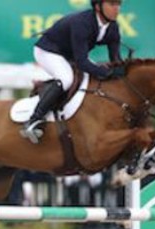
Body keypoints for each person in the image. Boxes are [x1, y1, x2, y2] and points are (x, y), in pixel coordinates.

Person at [21, 0, 125, 143]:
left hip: (70, 54)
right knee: (66, 79)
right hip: (48, 51)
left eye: (119, 4)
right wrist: (105, 72)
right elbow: (82, 62)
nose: (117, 9)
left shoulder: (113, 27)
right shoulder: (82, 23)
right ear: (98, 6)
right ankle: (33, 120)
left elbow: (116, 60)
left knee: (95, 79)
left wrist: (122, 72)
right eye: (112, 4)